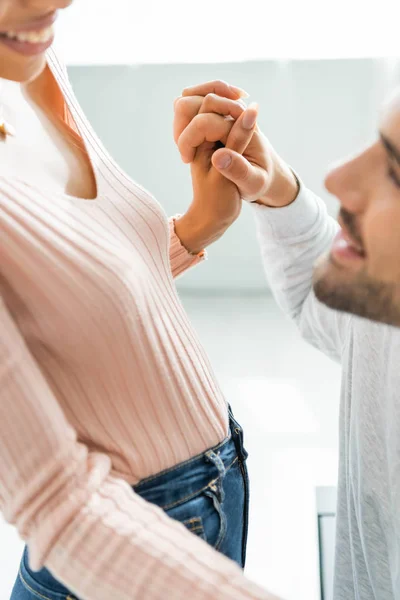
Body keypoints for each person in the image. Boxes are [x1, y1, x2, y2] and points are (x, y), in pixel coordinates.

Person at [0, 2, 286, 600]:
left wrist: (192, 231)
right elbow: (57, 504)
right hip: (116, 550)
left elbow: (65, 310)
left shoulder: (31, 58)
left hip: (199, 493)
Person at [178, 79, 400, 598]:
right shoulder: (383, 319)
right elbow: (318, 300)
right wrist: (276, 190)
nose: (337, 177)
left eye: (394, 172)